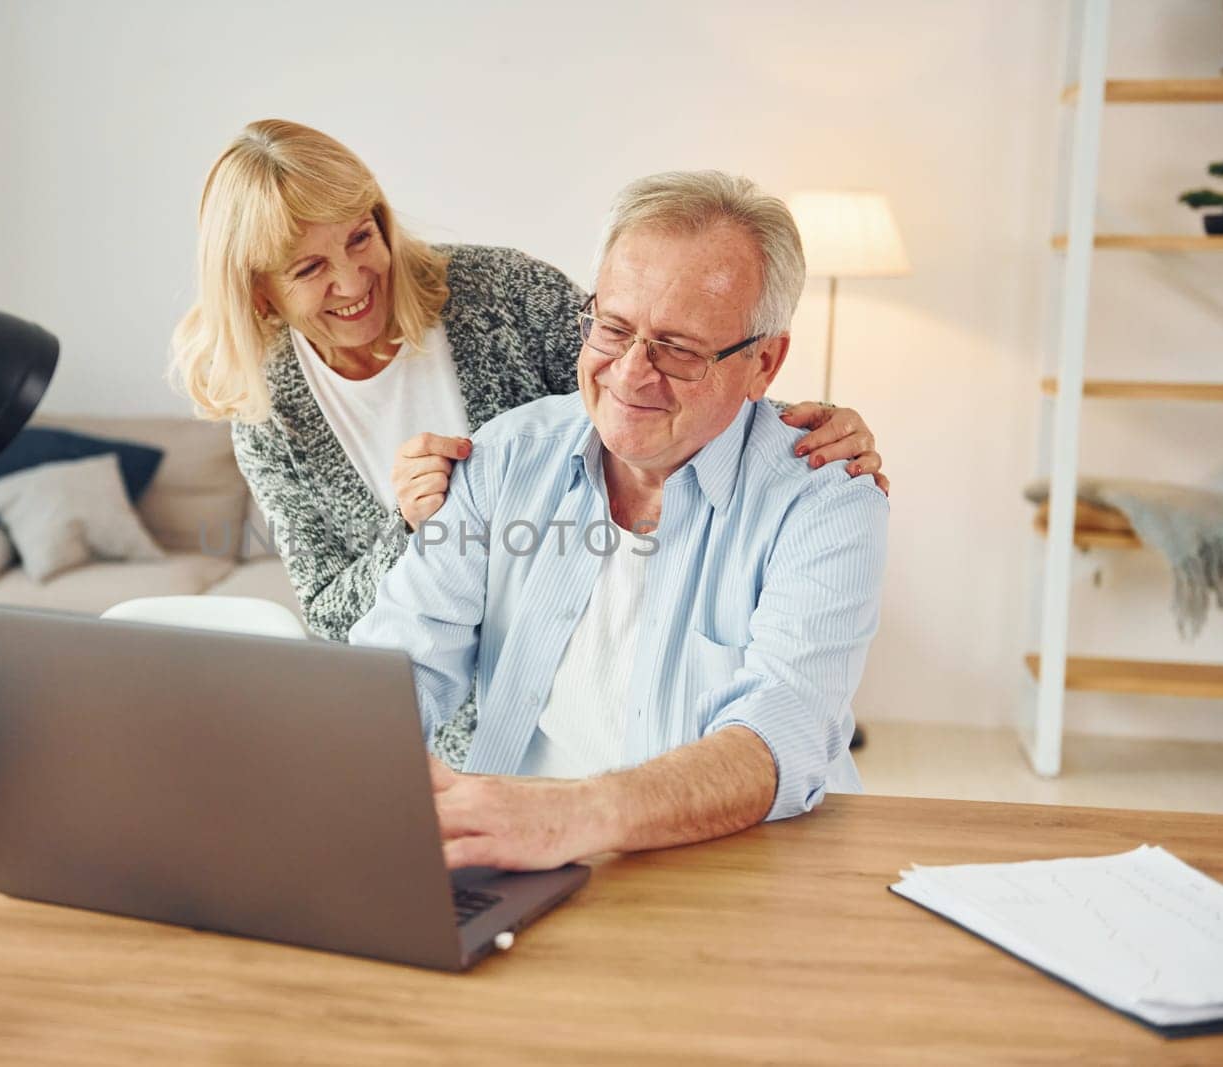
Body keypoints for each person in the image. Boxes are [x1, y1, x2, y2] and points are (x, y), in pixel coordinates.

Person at [171, 120, 887, 763]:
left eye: (361, 237)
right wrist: (414, 525)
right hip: (472, 744)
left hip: (615, 725)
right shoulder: (278, 417)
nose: (355, 278)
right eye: (309, 268)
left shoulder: (499, 294)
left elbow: (662, 357)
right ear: (261, 292)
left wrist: (796, 425)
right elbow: (350, 628)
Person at [349, 171, 888, 871]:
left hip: (736, 874)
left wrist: (571, 817)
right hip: (517, 864)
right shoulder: (502, 459)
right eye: (613, 328)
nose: (631, 374)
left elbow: (780, 732)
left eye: (680, 348)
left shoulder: (827, 497)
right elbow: (394, 671)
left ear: (764, 361)